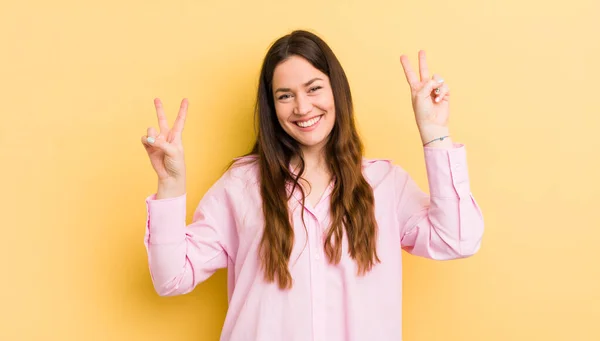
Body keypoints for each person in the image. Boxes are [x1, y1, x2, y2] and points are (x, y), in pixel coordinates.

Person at [140, 30, 484, 341]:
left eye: (314, 88)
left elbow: (457, 239)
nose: (302, 107)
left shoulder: (385, 185)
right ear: (271, 106)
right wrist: (171, 184)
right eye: (285, 96)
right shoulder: (242, 186)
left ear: (337, 89)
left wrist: (434, 132)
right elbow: (171, 278)